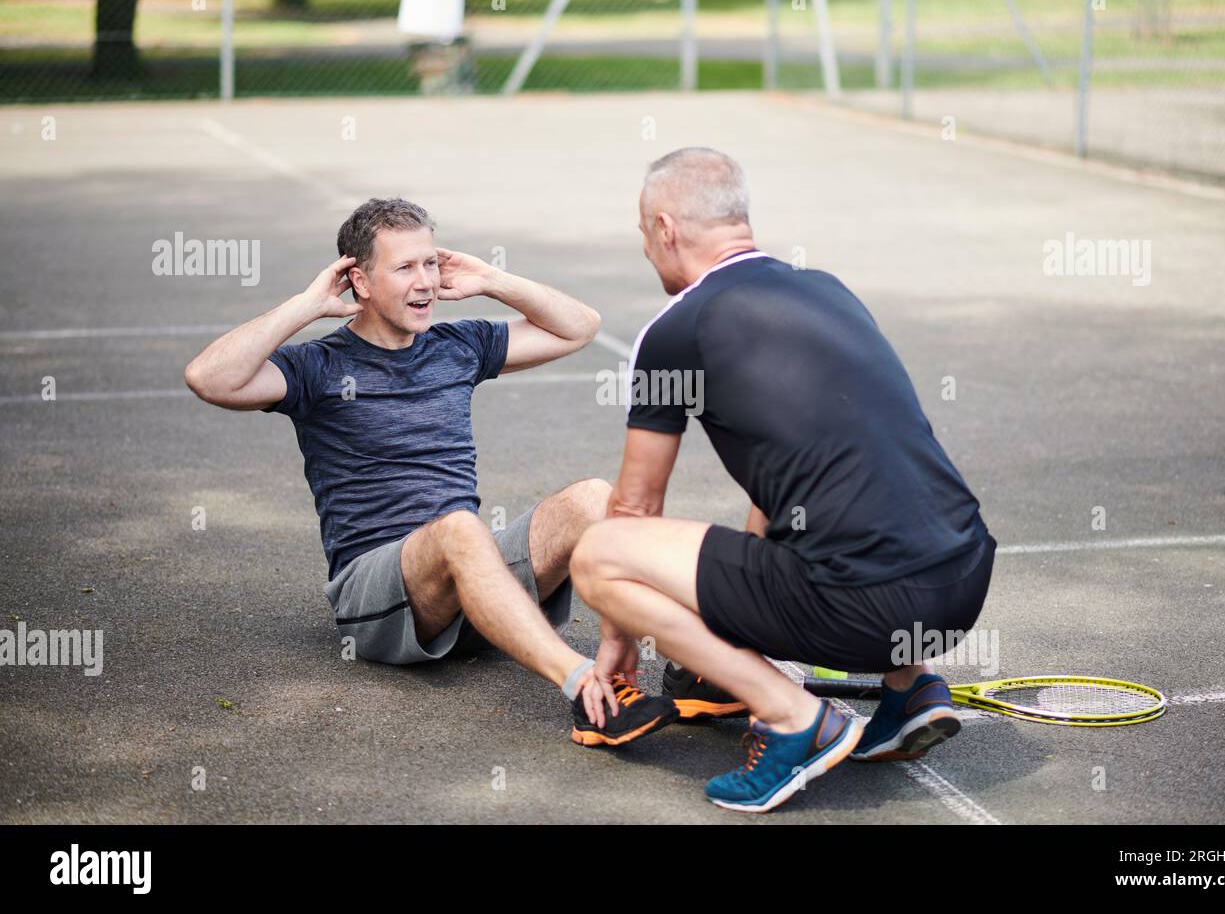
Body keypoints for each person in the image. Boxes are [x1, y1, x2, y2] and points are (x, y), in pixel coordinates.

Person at [570, 149, 996, 812]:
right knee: (843, 493)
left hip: (868, 607)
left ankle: (793, 716)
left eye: (642, 235)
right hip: (963, 585)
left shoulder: (678, 330)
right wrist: (737, 619)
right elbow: (816, 468)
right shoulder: (827, 289)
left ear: (665, 228)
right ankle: (910, 689)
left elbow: (635, 506)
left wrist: (616, 639)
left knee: (597, 555)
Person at [184, 197, 678, 746]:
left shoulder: (455, 346)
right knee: (460, 529)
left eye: (430, 263)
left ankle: (698, 659)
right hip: (377, 599)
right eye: (404, 267)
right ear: (359, 281)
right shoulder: (318, 367)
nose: (425, 282)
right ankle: (586, 687)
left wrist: (493, 279)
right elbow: (210, 378)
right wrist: (305, 306)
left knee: (592, 497)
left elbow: (579, 327)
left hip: (472, 581)